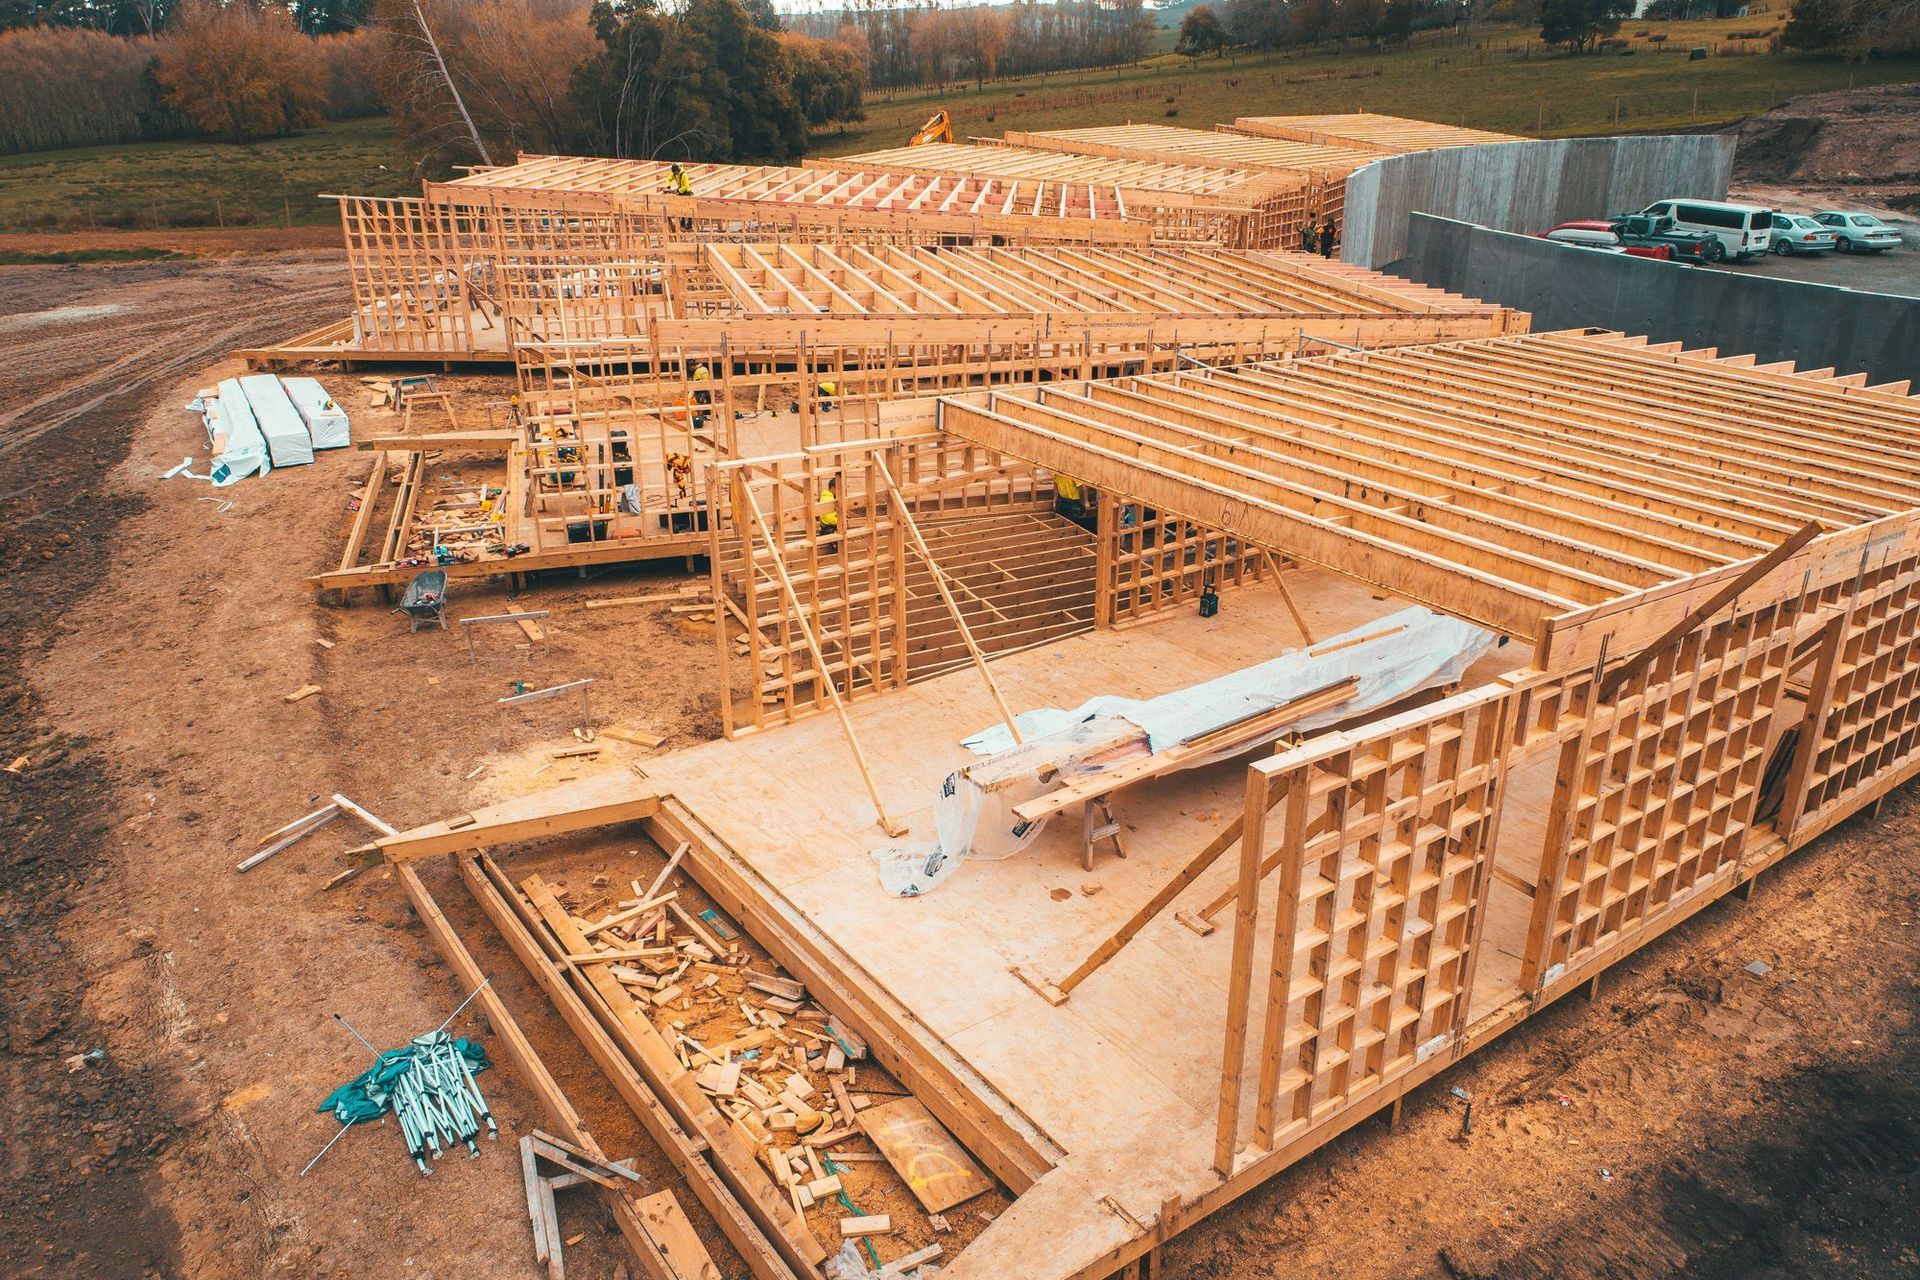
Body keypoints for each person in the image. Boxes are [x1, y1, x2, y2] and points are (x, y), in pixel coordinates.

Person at [664, 162, 693, 231]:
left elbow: (685, 187)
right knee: (681, 209)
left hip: (686, 193)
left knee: (688, 209)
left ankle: (689, 225)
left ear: (677, 170)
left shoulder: (684, 175)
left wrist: (678, 191)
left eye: (676, 172)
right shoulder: (675, 173)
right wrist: (668, 186)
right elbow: (668, 178)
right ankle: (682, 224)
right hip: (680, 191)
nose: (675, 174)